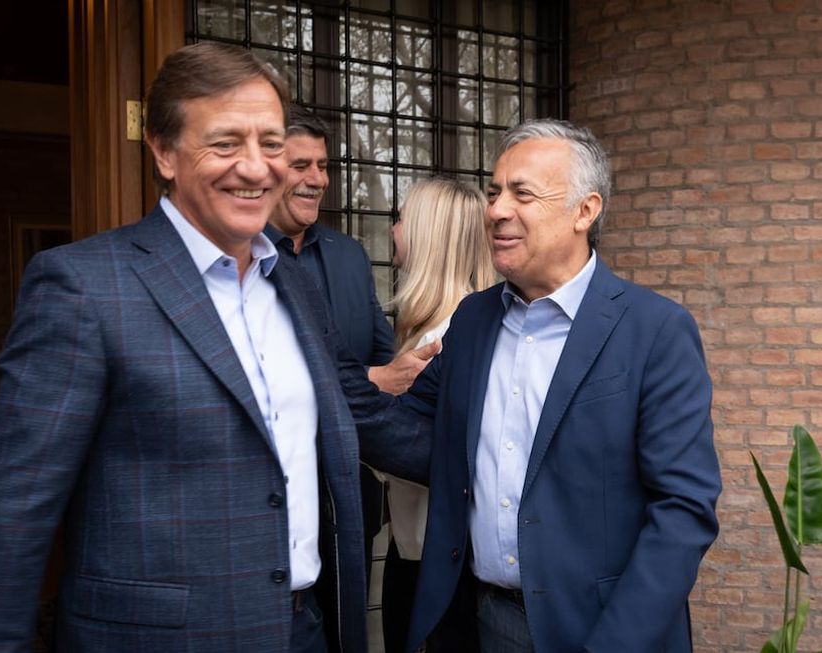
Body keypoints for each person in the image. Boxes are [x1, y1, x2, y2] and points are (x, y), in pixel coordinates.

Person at [0, 42, 428, 653]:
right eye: (226, 143)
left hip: (303, 631)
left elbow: (362, 410)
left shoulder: (295, 285)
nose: (256, 168)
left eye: (271, 143)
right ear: (164, 152)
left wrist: (508, 459)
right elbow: (11, 517)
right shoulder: (84, 287)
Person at [395, 119, 722, 653]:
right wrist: (335, 382)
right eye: (496, 191)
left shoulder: (654, 330)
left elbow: (683, 510)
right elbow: (411, 427)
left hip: (598, 633)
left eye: (522, 193)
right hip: (476, 623)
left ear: (584, 211)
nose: (497, 209)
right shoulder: (474, 319)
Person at [263, 107, 439, 586]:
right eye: (302, 166)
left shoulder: (348, 256)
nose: (317, 180)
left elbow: (384, 363)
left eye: (323, 167)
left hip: (350, 490)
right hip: (267, 501)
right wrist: (372, 380)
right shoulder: (240, 258)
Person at [378, 178, 496, 653]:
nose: (392, 230)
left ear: (429, 236)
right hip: (412, 548)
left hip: (432, 561)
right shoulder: (435, 326)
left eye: (402, 218)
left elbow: (416, 447)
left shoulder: (448, 335)